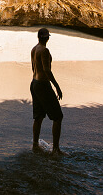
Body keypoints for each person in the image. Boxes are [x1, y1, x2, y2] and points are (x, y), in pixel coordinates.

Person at [30, 27, 63, 155]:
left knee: (38, 117)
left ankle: (35, 145)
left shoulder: (34, 49)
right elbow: (46, 70)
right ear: (47, 38)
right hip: (43, 85)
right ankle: (56, 149)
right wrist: (57, 86)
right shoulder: (44, 50)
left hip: (34, 83)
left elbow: (33, 68)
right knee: (58, 117)